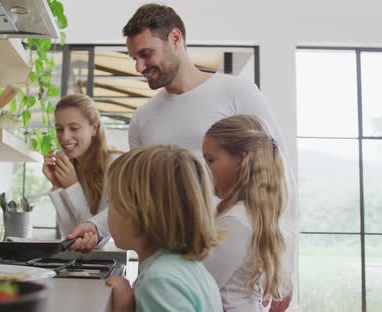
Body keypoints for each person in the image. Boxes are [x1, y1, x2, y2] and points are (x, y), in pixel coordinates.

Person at [67, 5, 296, 300]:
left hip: (233, 268)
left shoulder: (237, 92)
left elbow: (278, 175)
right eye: (133, 58)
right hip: (171, 265)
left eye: (146, 54)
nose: (138, 67)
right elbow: (135, 193)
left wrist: (282, 269)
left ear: (175, 38)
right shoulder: (143, 118)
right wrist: (96, 228)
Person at [104, 145, 223, 312]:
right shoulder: (187, 267)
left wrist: (123, 308)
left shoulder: (159, 281)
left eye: (111, 202)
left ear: (138, 214)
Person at [202, 115, 287, 311]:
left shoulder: (235, 222)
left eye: (211, 160)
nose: (205, 169)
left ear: (241, 159)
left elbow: (199, 286)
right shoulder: (249, 214)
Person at [43, 94, 119, 246]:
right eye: (59, 129)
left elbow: (91, 238)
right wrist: (58, 186)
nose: (65, 137)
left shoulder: (114, 165)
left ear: (94, 128)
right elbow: (71, 235)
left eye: (74, 128)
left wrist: (72, 187)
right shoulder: (72, 168)